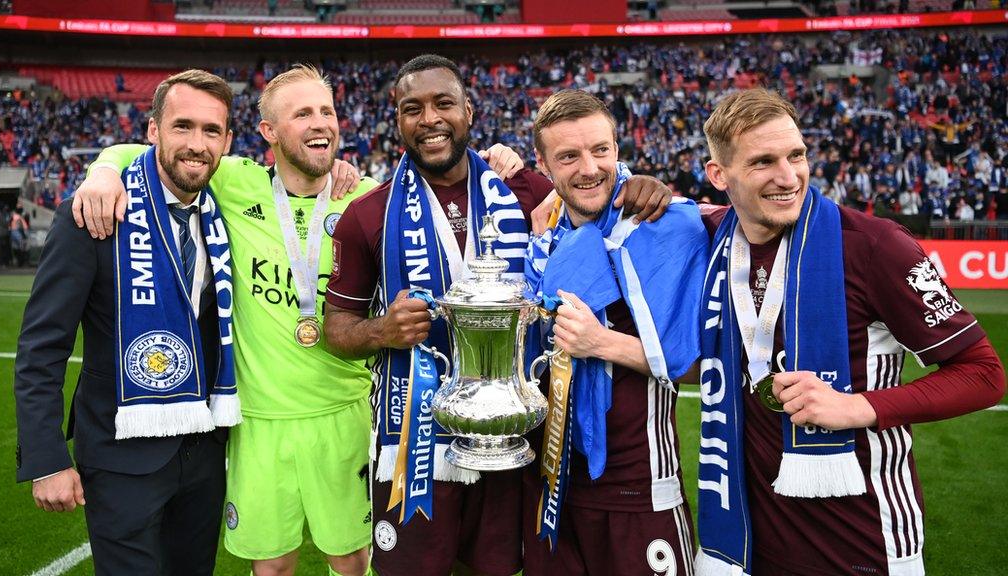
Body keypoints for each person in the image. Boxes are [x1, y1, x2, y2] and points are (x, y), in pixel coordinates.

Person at [70, 63, 524, 576]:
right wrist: (104, 169)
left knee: (352, 560)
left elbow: (451, 178)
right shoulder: (236, 181)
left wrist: (500, 158)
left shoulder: (369, 195)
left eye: (326, 111)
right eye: (302, 113)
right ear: (267, 132)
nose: (319, 123)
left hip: (346, 413)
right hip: (259, 420)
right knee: (273, 567)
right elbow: (150, 153)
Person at [322, 54, 670, 576]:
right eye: (412, 108)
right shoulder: (368, 213)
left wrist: (642, 183)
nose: (430, 119)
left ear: (469, 110)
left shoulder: (526, 190)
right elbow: (336, 330)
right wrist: (381, 331)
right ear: (396, 119)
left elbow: (591, 184)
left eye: (443, 103)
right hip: (414, 443)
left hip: (513, 433)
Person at [694, 88, 1005, 576]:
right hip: (751, 540)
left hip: (864, 540)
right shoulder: (714, 238)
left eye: (797, 155)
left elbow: (985, 375)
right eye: (762, 162)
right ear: (718, 175)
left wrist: (856, 407)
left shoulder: (878, 246)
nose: (788, 177)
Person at [15, 69, 242, 576]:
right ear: (152, 130)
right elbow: (43, 345)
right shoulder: (95, 211)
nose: (196, 144)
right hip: (120, 452)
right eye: (182, 126)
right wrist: (46, 457)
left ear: (227, 141)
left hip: (204, 452)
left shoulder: (229, 210)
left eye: (211, 131)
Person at [520, 89, 708, 576]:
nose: (588, 167)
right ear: (543, 164)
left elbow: (696, 365)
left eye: (600, 150)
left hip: (640, 484)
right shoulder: (543, 241)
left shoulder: (669, 226)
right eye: (568, 156)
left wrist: (602, 343)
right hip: (552, 481)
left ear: (617, 149)